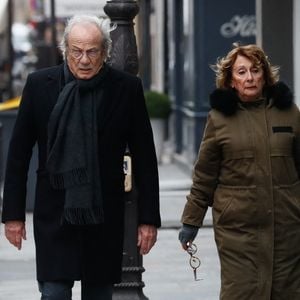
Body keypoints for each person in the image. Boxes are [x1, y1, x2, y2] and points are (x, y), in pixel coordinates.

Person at [1, 14, 161, 300]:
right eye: (76, 51)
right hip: (54, 213)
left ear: (105, 53)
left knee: (99, 294)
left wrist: (148, 219)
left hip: (103, 215)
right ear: (65, 50)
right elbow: (18, 155)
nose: (84, 59)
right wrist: (13, 215)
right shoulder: (40, 85)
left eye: (92, 51)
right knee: (54, 293)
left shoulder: (126, 88)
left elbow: (146, 158)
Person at [179, 43, 300, 299]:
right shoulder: (219, 119)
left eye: (255, 70)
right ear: (231, 80)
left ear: (265, 75)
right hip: (238, 232)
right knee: (242, 293)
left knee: (286, 292)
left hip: (286, 227)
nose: (250, 77)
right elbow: (204, 176)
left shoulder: (289, 113)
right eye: (242, 72)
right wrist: (191, 221)